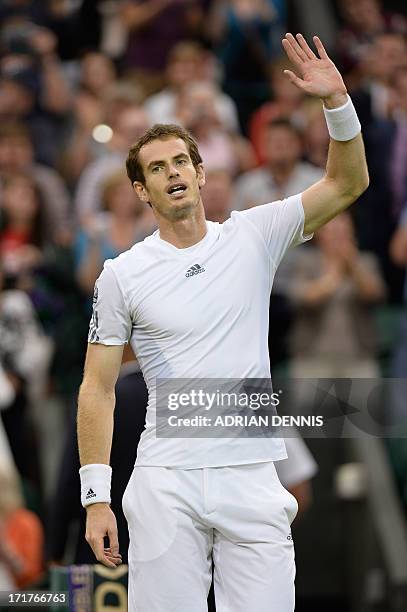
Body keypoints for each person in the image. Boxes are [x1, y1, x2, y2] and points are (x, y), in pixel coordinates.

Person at [77, 33, 369, 612]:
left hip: (253, 478)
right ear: (141, 190)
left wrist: (337, 103)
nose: (173, 172)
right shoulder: (121, 274)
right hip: (165, 481)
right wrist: (96, 498)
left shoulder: (255, 233)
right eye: (157, 168)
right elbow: (98, 387)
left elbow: (347, 183)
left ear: (201, 172)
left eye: (181, 160)